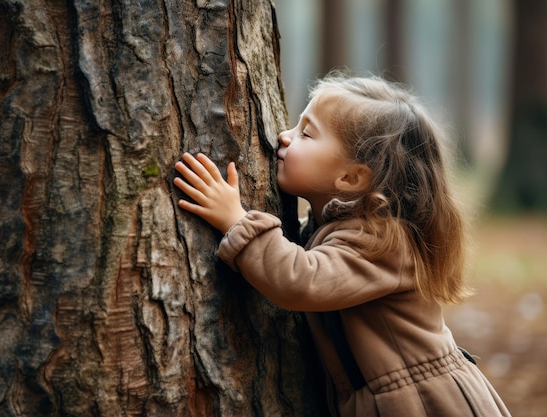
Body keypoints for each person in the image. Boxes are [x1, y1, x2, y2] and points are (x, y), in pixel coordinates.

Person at [173, 72, 511, 417]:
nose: (282, 136)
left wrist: (237, 220)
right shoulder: (346, 229)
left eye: (306, 133)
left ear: (351, 177)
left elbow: (301, 280)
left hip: (426, 404)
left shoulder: (382, 242)